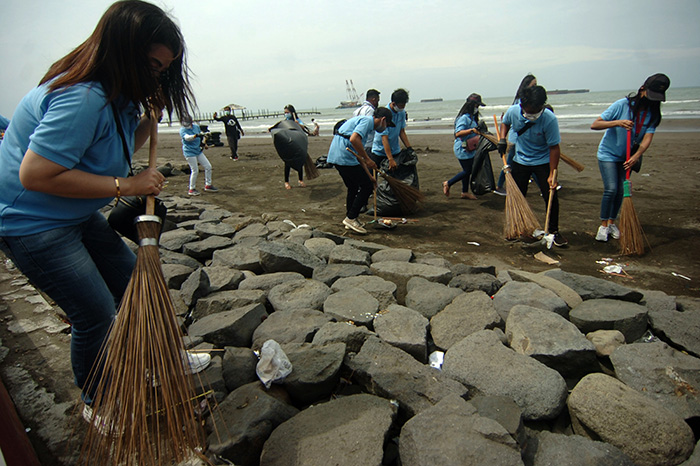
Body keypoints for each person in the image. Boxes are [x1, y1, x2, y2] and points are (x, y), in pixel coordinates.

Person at [0, 0, 210, 416]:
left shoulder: (118, 95)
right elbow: (37, 174)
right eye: (152, 64)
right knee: (95, 312)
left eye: (163, 68)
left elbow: (105, 151)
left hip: (75, 214)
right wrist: (127, 185)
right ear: (122, 50)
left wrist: (149, 121)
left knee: (136, 283)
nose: (157, 74)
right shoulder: (81, 96)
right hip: (32, 224)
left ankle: (162, 358)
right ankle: (99, 401)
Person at [590, 73, 670, 242]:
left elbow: (647, 138)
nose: (653, 100)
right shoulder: (622, 105)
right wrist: (618, 122)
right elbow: (595, 124)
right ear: (642, 90)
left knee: (621, 190)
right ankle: (603, 225)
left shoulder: (653, 114)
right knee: (611, 189)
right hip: (609, 154)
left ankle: (612, 222)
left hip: (628, 157)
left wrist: (636, 156)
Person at [498, 85, 567, 247]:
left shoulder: (549, 119)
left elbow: (554, 148)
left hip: (542, 161)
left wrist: (552, 173)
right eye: (528, 110)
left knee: (550, 195)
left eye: (534, 111)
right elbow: (505, 122)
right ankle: (518, 228)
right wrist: (502, 138)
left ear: (541, 106)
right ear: (522, 105)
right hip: (520, 160)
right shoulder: (514, 111)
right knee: (516, 195)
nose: (530, 114)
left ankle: (553, 231)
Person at [327, 107, 394, 234]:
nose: (385, 128)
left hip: (337, 156)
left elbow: (359, 156)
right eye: (387, 125)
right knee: (367, 187)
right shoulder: (367, 121)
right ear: (383, 120)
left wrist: (370, 175)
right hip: (344, 156)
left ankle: (351, 218)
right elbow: (353, 139)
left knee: (353, 186)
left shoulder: (365, 124)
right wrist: (368, 159)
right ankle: (351, 218)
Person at [495, 74, 537, 195]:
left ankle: (500, 185)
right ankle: (499, 185)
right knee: (511, 164)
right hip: (517, 139)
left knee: (516, 163)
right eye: (533, 85)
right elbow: (511, 121)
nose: (535, 87)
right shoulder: (521, 102)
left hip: (519, 138)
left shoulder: (522, 101)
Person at [443, 93, 486, 199]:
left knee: (467, 170)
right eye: (476, 106)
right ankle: (448, 183)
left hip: (470, 148)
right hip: (462, 148)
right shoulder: (464, 118)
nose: (477, 108)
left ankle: (464, 192)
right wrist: (472, 130)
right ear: (472, 105)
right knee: (468, 170)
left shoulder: (472, 118)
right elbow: (458, 133)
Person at [371, 88, 413, 170]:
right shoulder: (385, 113)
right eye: (401, 105)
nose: (402, 107)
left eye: (404, 105)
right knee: (374, 177)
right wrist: (390, 159)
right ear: (393, 103)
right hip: (380, 151)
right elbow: (384, 138)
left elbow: (402, 131)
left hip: (395, 150)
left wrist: (409, 148)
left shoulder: (402, 113)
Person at [180, 115, 218, 195]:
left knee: (208, 166)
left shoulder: (196, 127)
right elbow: (187, 138)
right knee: (195, 170)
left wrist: (204, 144)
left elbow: (201, 137)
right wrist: (196, 136)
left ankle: (208, 185)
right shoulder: (183, 130)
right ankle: (191, 189)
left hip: (198, 150)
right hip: (189, 152)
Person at [353, 89, 380, 154]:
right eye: (377, 100)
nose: (378, 103)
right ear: (374, 99)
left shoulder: (357, 111)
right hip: (368, 143)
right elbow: (370, 125)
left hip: (358, 142)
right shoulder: (370, 110)